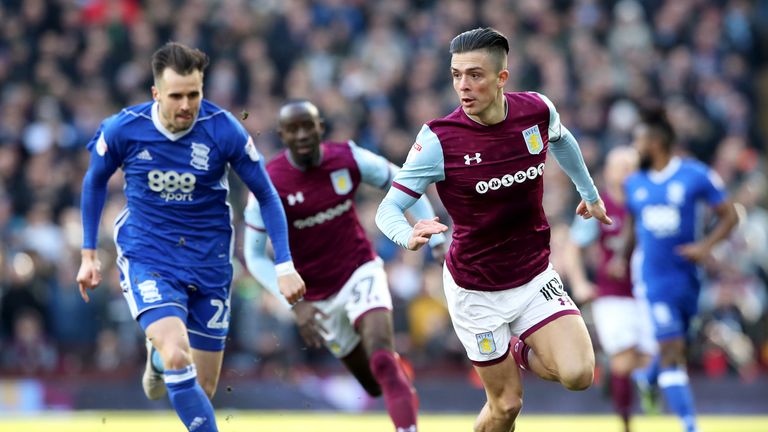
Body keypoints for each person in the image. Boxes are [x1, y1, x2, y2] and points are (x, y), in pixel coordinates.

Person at [375, 27, 612, 432]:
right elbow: (388, 210)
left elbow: (563, 140)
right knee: (506, 405)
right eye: (455, 75)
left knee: (579, 374)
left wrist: (589, 194)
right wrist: (406, 235)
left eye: (474, 75)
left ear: (502, 78)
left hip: (534, 275)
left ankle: (518, 347)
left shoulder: (536, 110)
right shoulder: (439, 139)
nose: (463, 86)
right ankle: (511, 351)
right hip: (476, 290)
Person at [76, 42, 305, 432]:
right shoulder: (124, 129)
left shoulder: (222, 129)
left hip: (210, 261)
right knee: (178, 354)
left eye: (194, 94)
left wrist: (284, 264)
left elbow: (266, 193)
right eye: (176, 95)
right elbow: (95, 181)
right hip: (149, 255)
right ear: (156, 94)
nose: (186, 104)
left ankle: (158, 356)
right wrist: (88, 253)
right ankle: (165, 351)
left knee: (205, 386)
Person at [243, 100, 447, 432]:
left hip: (359, 270)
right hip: (316, 297)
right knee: (373, 383)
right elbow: (253, 255)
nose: (302, 134)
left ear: (320, 127)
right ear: (282, 135)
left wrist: (434, 239)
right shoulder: (267, 184)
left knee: (382, 356)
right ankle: (400, 390)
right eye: (293, 129)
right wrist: (295, 303)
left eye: (307, 125)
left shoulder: (348, 157)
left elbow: (405, 182)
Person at [622, 107, 738, 432]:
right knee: (672, 349)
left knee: (678, 344)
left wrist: (705, 247)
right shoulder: (634, 183)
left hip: (688, 277)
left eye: (638, 141)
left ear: (656, 142)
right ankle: (690, 425)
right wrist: (620, 256)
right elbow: (631, 227)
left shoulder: (695, 175)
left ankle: (648, 377)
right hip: (653, 279)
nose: (635, 147)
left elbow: (730, 215)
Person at [564, 146, 657, 432]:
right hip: (612, 294)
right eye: (621, 165)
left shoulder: (649, 201)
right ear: (608, 172)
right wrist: (579, 283)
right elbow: (573, 248)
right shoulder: (597, 205)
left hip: (649, 292)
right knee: (624, 358)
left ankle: (634, 385)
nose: (627, 170)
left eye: (632, 165)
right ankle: (626, 424)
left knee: (651, 358)